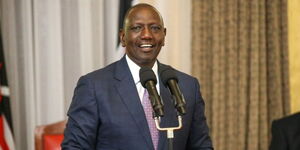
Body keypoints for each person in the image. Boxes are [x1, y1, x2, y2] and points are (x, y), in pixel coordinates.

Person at [61, 3, 213, 150]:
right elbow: (75, 147)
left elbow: (201, 146)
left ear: (164, 35)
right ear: (123, 37)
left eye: (155, 28)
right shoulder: (94, 86)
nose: (147, 35)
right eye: (137, 28)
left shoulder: (186, 86)